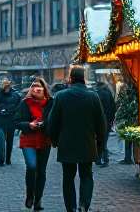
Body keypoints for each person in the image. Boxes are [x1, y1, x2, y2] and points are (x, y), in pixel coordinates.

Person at [46, 66, 107, 212]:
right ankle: (83, 205)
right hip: (87, 143)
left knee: (68, 178)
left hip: (66, 144)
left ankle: (71, 208)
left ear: (71, 78)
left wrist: (54, 140)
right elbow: (101, 124)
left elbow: (52, 121)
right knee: (86, 175)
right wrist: (99, 145)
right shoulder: (93, 96)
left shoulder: (61, 96)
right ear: (83, 78)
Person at [15, 77, 54, 210]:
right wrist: (29, 124)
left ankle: (38, 200)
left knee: (41, 171)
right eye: (33, 86)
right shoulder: (24, 103)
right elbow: (17, 121)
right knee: (32, 166)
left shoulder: (51, 103)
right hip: (28, 139)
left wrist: (45, 125)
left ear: (44, 89)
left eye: (38, 86)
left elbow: (55, 119)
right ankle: (29, 195)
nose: (35, 88)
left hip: (44, 140)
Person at [0, 80, 21, 165]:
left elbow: (19, 107)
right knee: (1, 140)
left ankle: (8, 159)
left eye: (7, 85)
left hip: (10, 121)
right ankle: (2, 159)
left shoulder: (15, 95)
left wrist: (10, 111)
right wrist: (0, 109)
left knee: (9, 141)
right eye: (4, 85)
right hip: (0, 121)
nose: (6, 87)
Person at [93, 81, 116, 167]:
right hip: (108, 120)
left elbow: (95, 109)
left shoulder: (98, 94)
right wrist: (111, 119)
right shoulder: (108, 93)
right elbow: (113, 107)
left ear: (98, 86)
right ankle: (101, 159)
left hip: (100, 120)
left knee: (100, 141)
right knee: (104, 141)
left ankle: (103, 160)